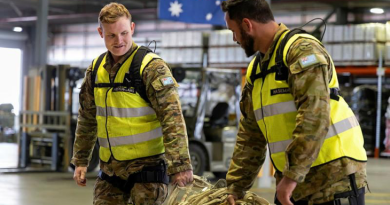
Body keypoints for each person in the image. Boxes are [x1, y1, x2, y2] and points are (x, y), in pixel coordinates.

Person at [221, 0, 368, 205]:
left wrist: (291, 177)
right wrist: (236, 187)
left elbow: (314, 115)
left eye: (233, 31)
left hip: (332, 177)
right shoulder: (257, 69)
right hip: (294, 181)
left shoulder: (302, 50)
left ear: (247, 25)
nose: (234, 39)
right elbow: (250, 135)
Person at [71, 3, 193, 205]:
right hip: (110, 171)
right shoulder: (95, 70)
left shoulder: (152, 68)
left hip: (147, 171)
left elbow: (172, 119)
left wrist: (180, 165)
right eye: (111, 35)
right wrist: (81, 160)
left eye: (124, 33)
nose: (119, 41)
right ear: (100, 33)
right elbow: (87, 118)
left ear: (133, 28)